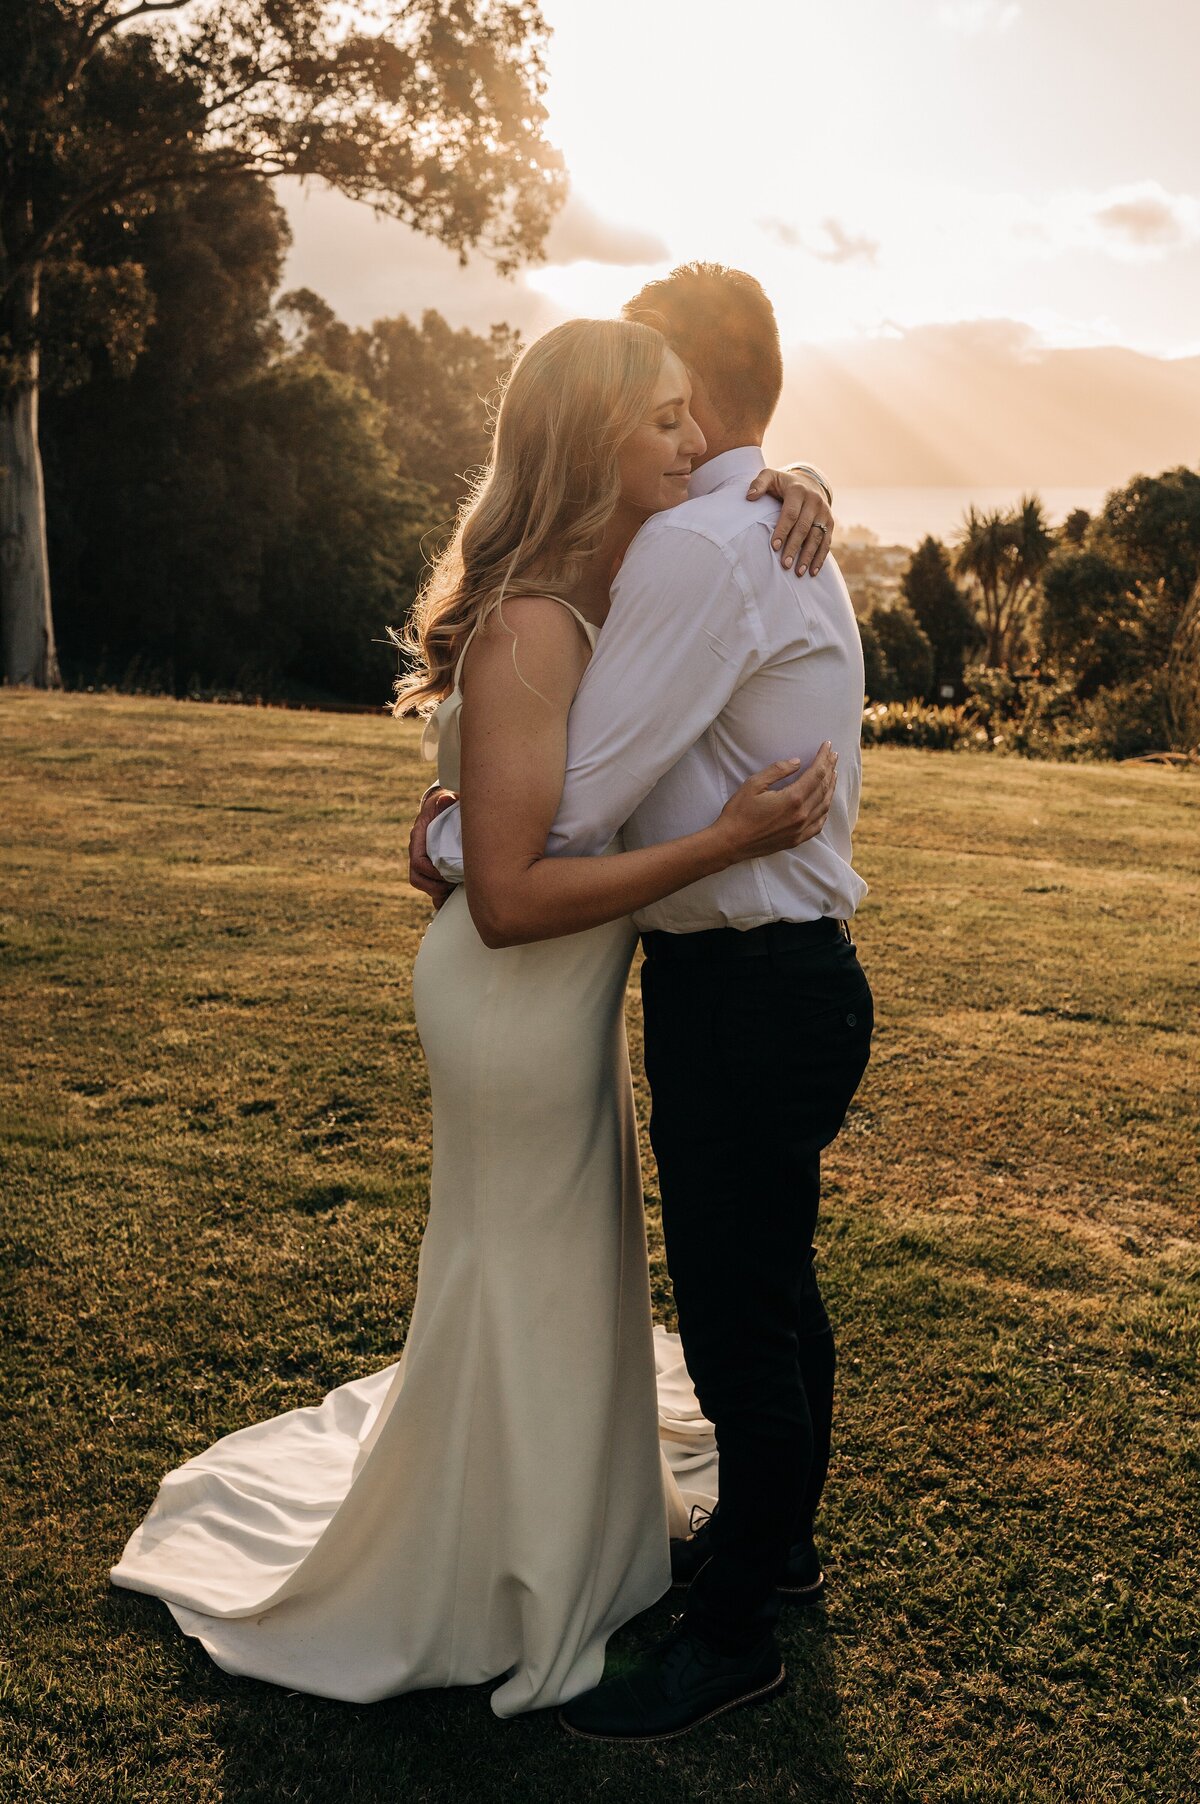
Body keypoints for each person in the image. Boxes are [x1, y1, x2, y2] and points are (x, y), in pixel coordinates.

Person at [109, 313, 837, 1719]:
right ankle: (499, 1562)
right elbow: (506, 895)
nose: (696, 446)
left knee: (566, 1264)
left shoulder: (600, 583)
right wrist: (723, 842)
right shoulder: (529, 622)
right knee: (525, 1265)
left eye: (700, 420)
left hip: (556, 995)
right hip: (513, 994)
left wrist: (794, 477)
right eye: (669, 423)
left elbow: (508, 815)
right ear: (590, 444)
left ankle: (559, 1526)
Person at [417, 264, 873, 1742]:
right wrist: (774, 472)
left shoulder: (702, 551)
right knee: (772, 1292)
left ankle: (734, 1628)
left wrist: (439, 840)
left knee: (743, 1314)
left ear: (699, 392)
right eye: (642, 412)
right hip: (785, 978)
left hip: (741, 986)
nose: (664, 433)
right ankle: (774, 1558)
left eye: (676, 404)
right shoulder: (751, 524)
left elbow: (569, 817)